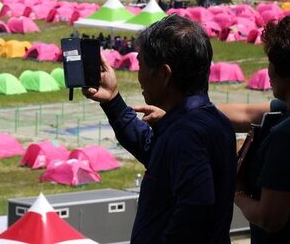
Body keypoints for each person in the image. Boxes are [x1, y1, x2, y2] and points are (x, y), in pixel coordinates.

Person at [84, 15, 236, 243]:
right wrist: (113, 101)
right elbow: (154, 150)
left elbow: (197, 207)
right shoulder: (212, 122)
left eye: (141, 64)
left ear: (164, 74)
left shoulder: (186, 135)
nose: (139, 76)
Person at [234, 16, 290, 243]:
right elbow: (246, 112)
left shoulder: (284, 136)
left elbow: (270, 218)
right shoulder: (283, 113)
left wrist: (236, 192)